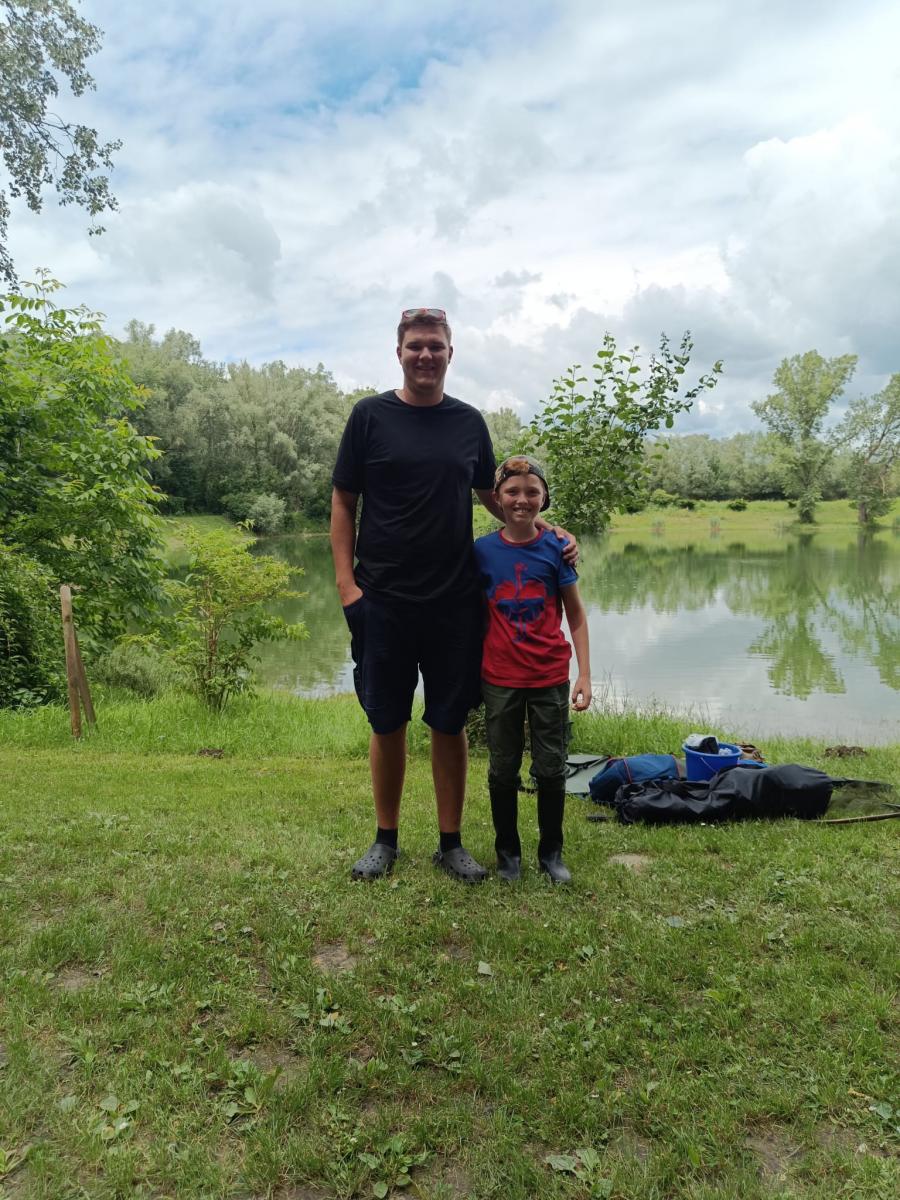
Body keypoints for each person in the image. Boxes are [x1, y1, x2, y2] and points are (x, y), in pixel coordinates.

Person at [330, 308, 576, 883]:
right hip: (382, 599)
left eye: (435, 346)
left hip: (454, 602)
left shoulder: (468, 422)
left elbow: (496, 497)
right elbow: (344, 500)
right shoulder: (369, 416)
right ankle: (385, 839)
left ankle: (451, 843)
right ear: (399, 352)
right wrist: (347, 587)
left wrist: (548, 529)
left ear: (450, 354)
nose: (425, 355)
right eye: (415, 345)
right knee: (386, 722)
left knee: (448, 722)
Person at [473, 456, 591, 883]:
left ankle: (551, 854)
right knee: (502, 768)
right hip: (500, 677)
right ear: (497, 498)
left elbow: (575, 615)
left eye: (532, 492)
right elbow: (468, 612)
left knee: (551, 767)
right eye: (512, 491)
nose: (521, 500)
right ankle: (508, 855)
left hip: (549, 677)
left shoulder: (557, 549)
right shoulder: (481, 552)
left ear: (544, 498)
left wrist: (584, 673)